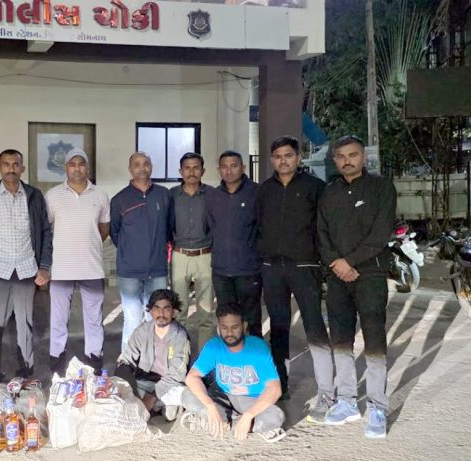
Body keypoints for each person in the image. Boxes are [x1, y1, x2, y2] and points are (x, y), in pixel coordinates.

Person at [317, 135, 396, 438]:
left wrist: (349, 262)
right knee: (340, 339)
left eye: (352, 155)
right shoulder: (329, 192)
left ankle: (377, 407)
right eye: (341, 156)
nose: (346, 161)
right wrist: (336, 263)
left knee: (374, 340)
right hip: (337, 276)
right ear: (335, 160)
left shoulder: (381, 188)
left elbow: (381, 233)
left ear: (363, 157)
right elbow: (321, 232)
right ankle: (347, 401)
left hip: (371, 274)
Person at [256, 135, 334, 413]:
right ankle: (280, 384)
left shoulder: (315, 187)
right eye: (278, 157)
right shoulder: (264, 191)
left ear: (299, 158)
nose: (283, 161)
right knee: (278, 329)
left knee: (314, 326)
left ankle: (326, 391)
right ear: (272, 160)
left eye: (288, 155)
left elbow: (325, 226)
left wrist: (322, 260)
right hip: (272, 269)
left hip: (305, 267)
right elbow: (257, 226)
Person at [0, 148, 52, 384]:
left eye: (15, 164)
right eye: (6, 165)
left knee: (26, 325)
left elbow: (45, 232)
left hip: (27, 269)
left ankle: (26, 373)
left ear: (22, 168)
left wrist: (44, 266)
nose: (11, 169)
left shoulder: (34, 196)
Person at [180, 301, 286, 443]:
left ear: (244, 326)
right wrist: (210, 406)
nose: (229, 333)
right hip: (223, 397)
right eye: (224, 327)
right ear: (218, 327)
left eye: (235, 327)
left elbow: (275, 389)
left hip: (251, 400)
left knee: (276, 416)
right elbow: (192, 377)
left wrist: (249, 415)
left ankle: (221, 422)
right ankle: (230, 422)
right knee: (187, 394)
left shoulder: (258, 348)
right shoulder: (213, 346)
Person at [45, 149, 110, 374]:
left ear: (87, 168)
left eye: (81, 164)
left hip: (91, 267)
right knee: (58, 317)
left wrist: (86, 243)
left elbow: (103, 229)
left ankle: (94, 356)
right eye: (72, 164)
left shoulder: (100, 195)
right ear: (66, 168)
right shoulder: (53, 195)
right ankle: (57, 357)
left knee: (94, 317)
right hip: (61, 269)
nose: (77, 168)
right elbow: (46, 229)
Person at [110, 151, 172, 349]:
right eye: (136, 164)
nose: (142, 168)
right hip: (129, 272)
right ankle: (128, 362)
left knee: (158, 318)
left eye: (146, 163)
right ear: (130, 169)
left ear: (151, 167)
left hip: (158, 270)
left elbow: (169, 228)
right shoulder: (120, 199)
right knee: (132, 318)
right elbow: (115, 232)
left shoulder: (164, 195)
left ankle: (155, 360)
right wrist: (132, 252)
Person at [205, 150, 262, 337]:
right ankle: (230, 354)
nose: (229, 171)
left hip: (248, 269)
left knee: (250, 318)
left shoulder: (256, 192)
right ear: (219, 170)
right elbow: (211, 227)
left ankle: (253, 353)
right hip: (221, 270)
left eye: (234, 166)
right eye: (224, 167)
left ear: (243, 168)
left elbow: (263, 228)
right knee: (226, 319)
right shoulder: (213, 196)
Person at [115, 289, 191, 421]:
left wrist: (152, 397)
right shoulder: (141, 331)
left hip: (169, 384)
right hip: (144, 382)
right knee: (119, 389)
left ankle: (158, 406)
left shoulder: (180, 335)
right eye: (156, 308)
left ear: (174, 312)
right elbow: (126, 360)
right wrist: (131, 391)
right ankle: (154, 406)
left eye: (166, 308)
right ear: (150, 311)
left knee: (173, 409)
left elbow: (177, 374)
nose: (161, 313)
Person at [169, 152, 214, 353]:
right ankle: (180, 356)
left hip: (205, 256)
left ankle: (204, 359)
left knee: (206, 312)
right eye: (187, 168)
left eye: (196, 168)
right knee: (179, 311)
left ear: (203, 171)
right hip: (180, 256)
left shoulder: (212, 194)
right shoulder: (171, 195)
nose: (191, 172)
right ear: (180, 171)